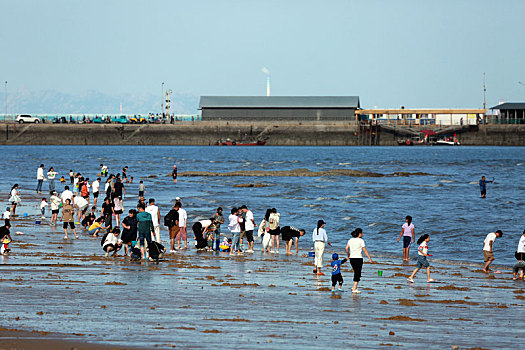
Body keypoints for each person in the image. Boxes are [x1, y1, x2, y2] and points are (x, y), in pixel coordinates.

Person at [345, 228, 374, 293]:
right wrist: (369, 258)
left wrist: (348, 254)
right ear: (360, 234)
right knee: (357, 273)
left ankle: (354, 286)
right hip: (358, 258)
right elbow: (365, 250)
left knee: (356, 272)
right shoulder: (361, 240)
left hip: (352, 259)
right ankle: (354, 289)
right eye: (362, 233)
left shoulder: (350, 240)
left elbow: (346, 248)